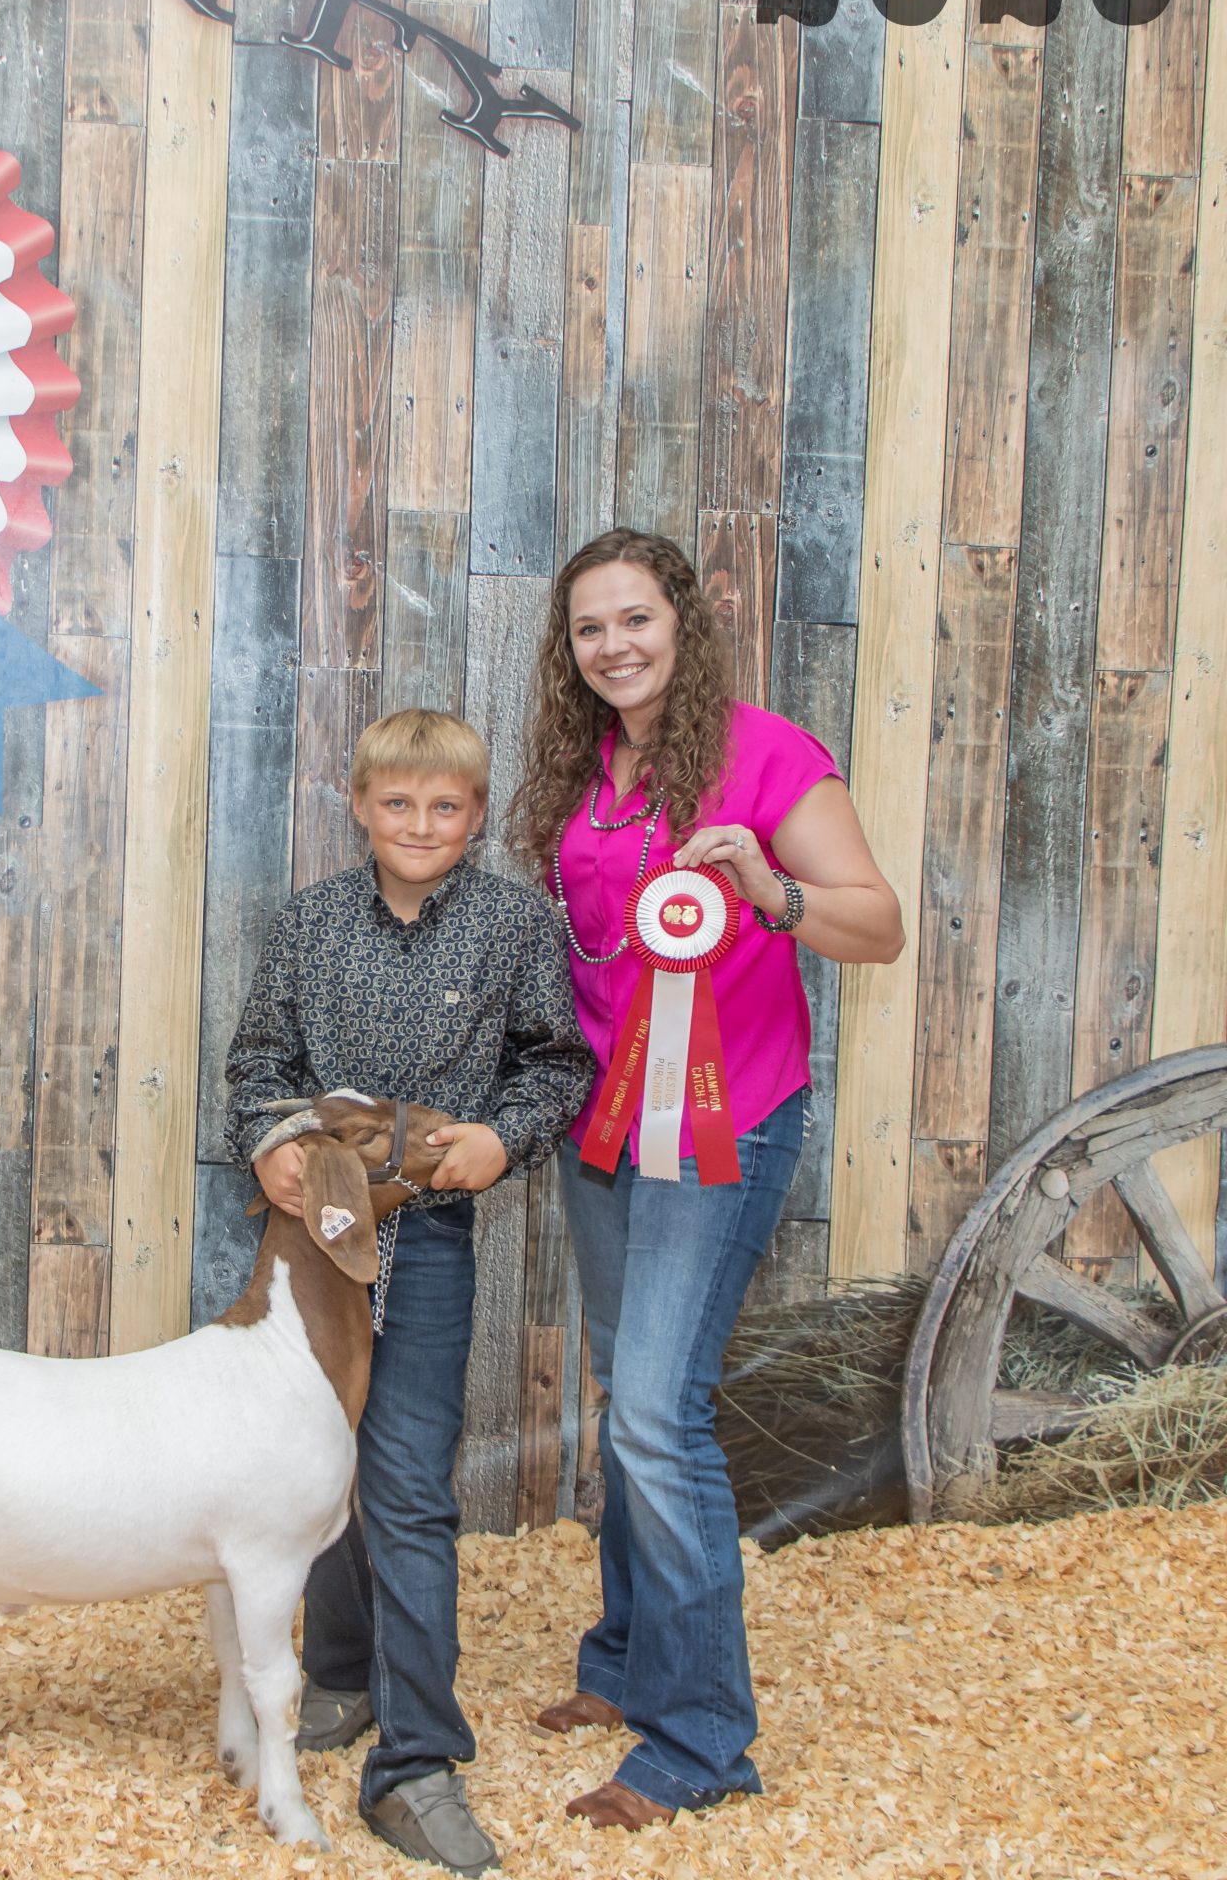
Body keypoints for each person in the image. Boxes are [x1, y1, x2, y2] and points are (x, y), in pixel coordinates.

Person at [507, 528, 902, 1830]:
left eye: (634, 619)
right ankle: (625, 1666)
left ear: (683, 618)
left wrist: (776, 893)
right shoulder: (590, 764)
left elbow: (878, 925)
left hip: (728, 1133)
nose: (613, 645)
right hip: (608, 1131)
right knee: (634, 1399)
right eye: (588, 629)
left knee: (660, 1418)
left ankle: (699, 1744)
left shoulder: (767, 753)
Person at [226, 708, 593, 1876]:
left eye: (445, 805)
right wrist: (271, 1138)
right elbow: (257, 1062)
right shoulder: (309, 923)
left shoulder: (511, 923)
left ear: (475, 814)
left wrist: (505, 1132)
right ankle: (340, 1675)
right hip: (312, 1232)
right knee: (314, 1466)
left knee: (408, 1484)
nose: (421, 824)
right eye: (399, 803)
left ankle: (419, 1757)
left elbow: (557, 1060)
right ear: (360, 804)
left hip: (425, 1234)